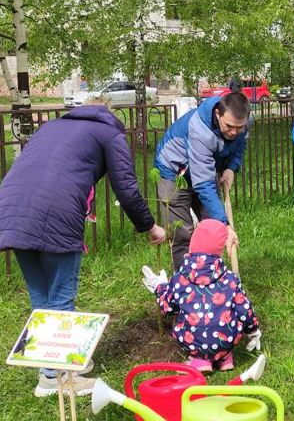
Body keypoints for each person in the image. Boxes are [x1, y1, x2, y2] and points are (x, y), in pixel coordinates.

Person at [0, 96, 166, 397]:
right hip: (55, 210)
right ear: (110, 114)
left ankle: (49, 367)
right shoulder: (108, 131)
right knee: (62, 295)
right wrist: (150, 225)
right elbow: (126, 188)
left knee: (42, 295)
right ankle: (58, 377)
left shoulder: (51, 127)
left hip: (10, 207)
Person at [142, 219, 261, 373]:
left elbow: (168, 307)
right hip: (227, 341)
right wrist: (253, 330)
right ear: (219, 250)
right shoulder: (230, 279)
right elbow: (244, 310)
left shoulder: (181, 279)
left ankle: (200, 361)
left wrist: (159, 286)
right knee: (225, 321)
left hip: (195, 343)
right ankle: (224, 358)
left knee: (190, 325)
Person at [155, 92, 249, 270]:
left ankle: (210, 278)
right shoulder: (200, 129)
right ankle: (185, 284)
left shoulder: (242, 123)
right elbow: (203, 185)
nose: (234, 132)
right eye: (229, 126)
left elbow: (239, 145)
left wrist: (231, 168)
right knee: (182, 232)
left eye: (240, 127)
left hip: (203, 169)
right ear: (217, 114)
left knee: (213, 229)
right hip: (174, 171)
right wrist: (226, 225)